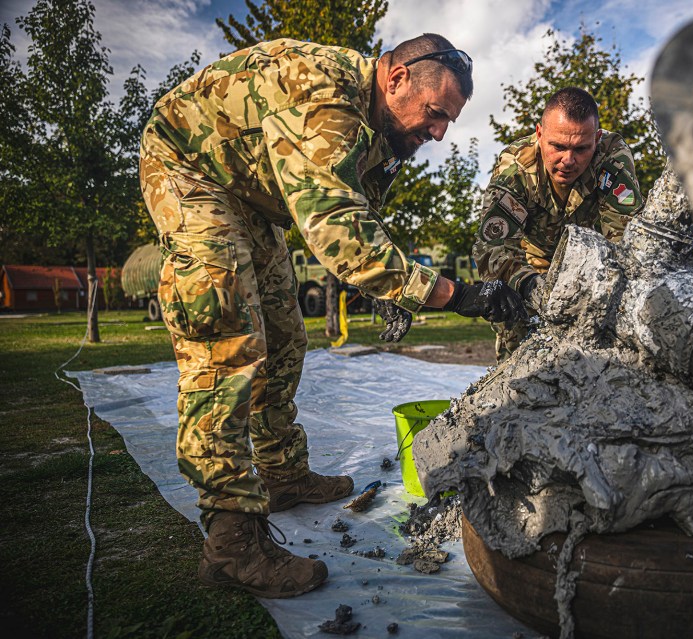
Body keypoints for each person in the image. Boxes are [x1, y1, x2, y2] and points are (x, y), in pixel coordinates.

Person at [139, 33, 525, 598]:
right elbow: (338, 228)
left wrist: (392, 288)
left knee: (285, 337)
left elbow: (363, 215)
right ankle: (231, 545)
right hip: (190, 170)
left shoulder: (378, 128)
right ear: (395, 79)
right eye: (435, 114)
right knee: (226, 342)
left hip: (249, 194)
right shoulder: (321, 94)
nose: (440, 132)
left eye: (448, 122)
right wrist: (455, 295)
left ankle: (282, 475)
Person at [472, 87, 644, 360]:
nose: (568, 160)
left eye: (581, 149)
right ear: (540, 135)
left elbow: (627, 240)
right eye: (558, 146)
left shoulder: (611, 157)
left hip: (591, 262)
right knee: (516, 341)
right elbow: (493, 250)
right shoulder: (516, 168)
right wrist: (530, 287)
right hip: (530, 265)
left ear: (597, 140)